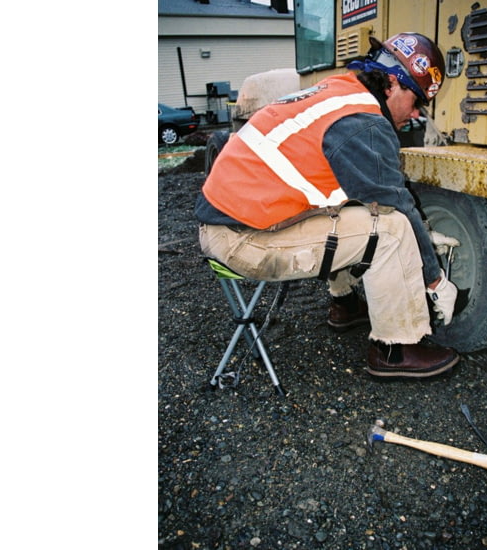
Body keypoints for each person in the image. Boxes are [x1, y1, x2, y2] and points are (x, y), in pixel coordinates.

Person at [195, 32, 461, 378]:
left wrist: (420, 238)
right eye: (416, 101)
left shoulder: (339, 90)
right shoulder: (364, 122)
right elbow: (397, 205)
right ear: (393, 84)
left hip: (225, 225)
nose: (414, 114)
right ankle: (396, 349)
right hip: (244, 241)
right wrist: (435, 279)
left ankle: (345, 303)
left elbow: (361, 193)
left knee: (355, 205)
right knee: (392, 229)